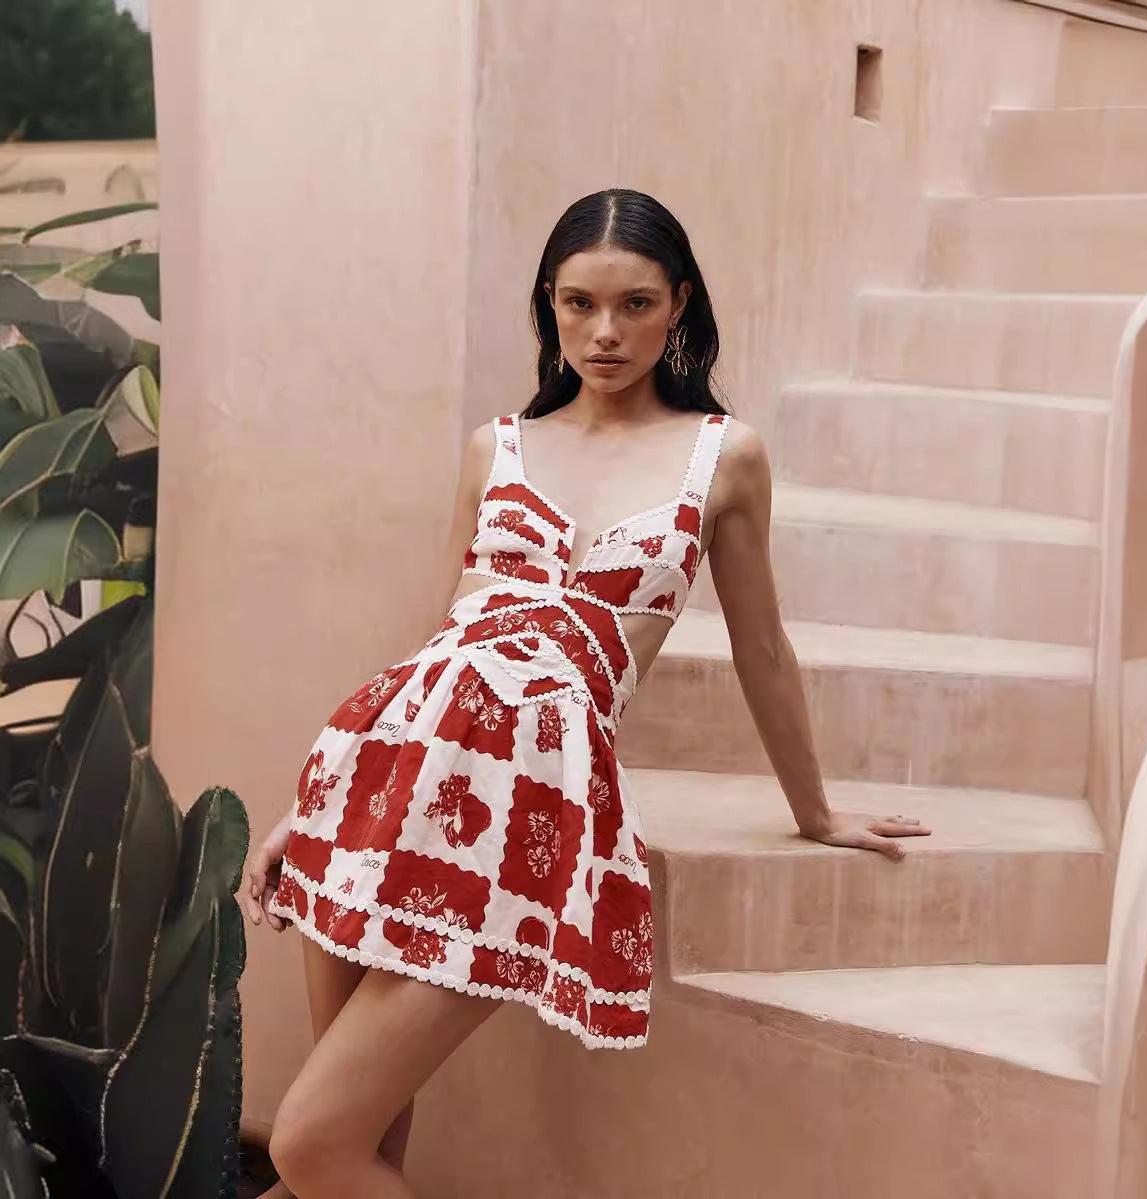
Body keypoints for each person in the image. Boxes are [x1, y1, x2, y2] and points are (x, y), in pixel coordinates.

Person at [241, 187, 932, 1198]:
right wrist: (312, 800)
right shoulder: (498, 446)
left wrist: (814, 810)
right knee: (361, 1148)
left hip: (520, 811)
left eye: (635, 304)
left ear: (679, 304)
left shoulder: (723, 455)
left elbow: (762, 648)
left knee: (306, 1144)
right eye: (576, 304)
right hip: (381, 781)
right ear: (549, 307)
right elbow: (437, 634)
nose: (603, 332)